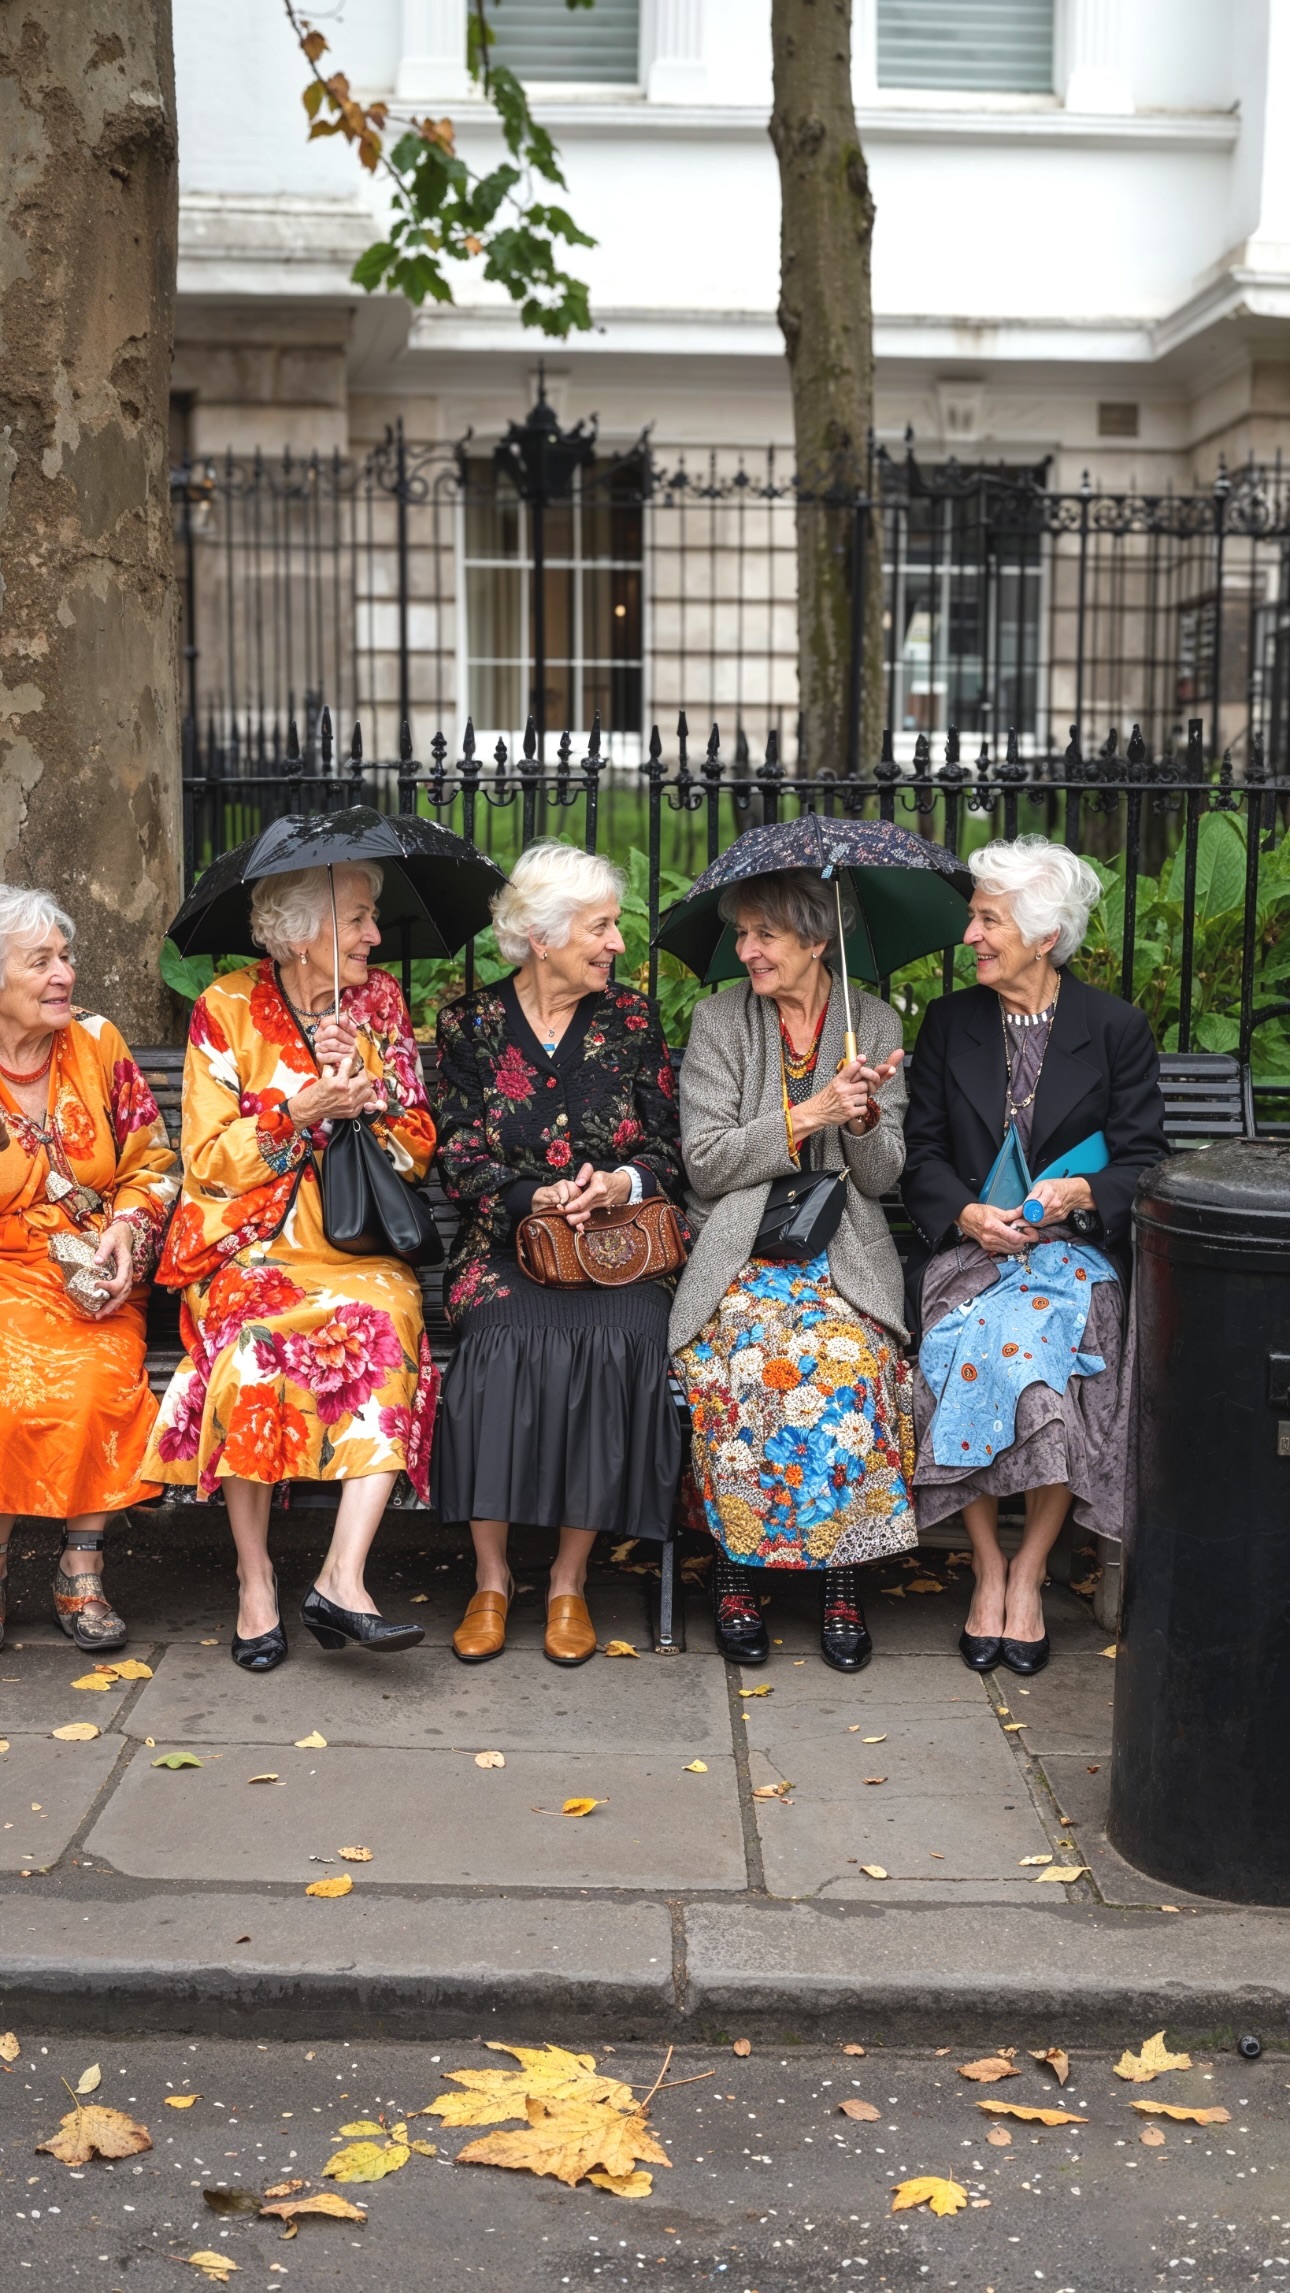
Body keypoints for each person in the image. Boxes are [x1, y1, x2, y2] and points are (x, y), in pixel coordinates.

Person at [143, 862, 438, 1669]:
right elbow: (206, 1161)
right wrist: (299, 1111)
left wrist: (369, 1088)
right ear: (301, 932)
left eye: (373, 917)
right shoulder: (227, 1008)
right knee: (253, 1349)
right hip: (249, 1244)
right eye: (359, 919)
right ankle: (256, 1577)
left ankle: (343, 1577)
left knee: (389, 1321)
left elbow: (414, 1149)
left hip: (351, 1246)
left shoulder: (377, 1005)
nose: (376, 936)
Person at [901, 834, 1167, 1677]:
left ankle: (1030, 1567)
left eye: (988, 919)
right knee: (957, 1343)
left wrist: (1078, 1195)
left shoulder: (1114, 1029)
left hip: (1071, 1257)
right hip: (976, 1252)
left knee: (1051, 1360)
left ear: (1044, 934)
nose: (971, 935)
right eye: (975, 918)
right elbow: (922, 1159)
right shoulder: (950, 1023)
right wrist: (970, 1214)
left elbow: (1143, 1159)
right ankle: (985, 1564)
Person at [433, 841, 686, 1667]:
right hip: (508, 1245)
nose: (617, 943)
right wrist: (533, 1198)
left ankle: (571, 1580)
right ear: (541, 937)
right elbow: (462, 1155)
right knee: (499, 1347)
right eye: (601, 927)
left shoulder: (634, 1021)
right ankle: (494, 1577)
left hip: (615, 1248)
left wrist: (617, 1180)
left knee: (624, 1342)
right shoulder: (469, 1026)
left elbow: (668, 1148)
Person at [670, 869, 917, 1672]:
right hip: (744, 1246)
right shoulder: (719, 1021)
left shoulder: (870, 1021)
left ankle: (841, 1574)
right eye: (742, 934)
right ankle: (737, 1568)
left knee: (847, 1355)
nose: (746, 951)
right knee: (747, 1357)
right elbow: (705, 1164)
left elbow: (882, 1177)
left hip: (839, 1251)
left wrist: (866, 1117)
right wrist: (807, 1113)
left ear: (818, 941)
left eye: (764, 935)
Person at [0, 887, 177, 1651]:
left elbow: (155, 1164)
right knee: (6, 1391)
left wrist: (128, 1234)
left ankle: (80, 1567)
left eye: (65, 957)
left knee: (101, 1380)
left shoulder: (99, 1042)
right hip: (5, 1276)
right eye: (39, 961)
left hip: (93, 1269)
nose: (63, 974)